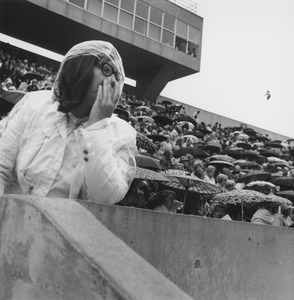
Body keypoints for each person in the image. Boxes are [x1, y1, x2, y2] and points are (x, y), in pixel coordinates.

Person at [0, 40, 136, 204]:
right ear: (79, 67)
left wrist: (97, 127)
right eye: (106, 70)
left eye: (118, 76)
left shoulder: (122, 133)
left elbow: (106, 197)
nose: (113, 81)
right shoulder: (34, 105)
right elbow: (2, 167)